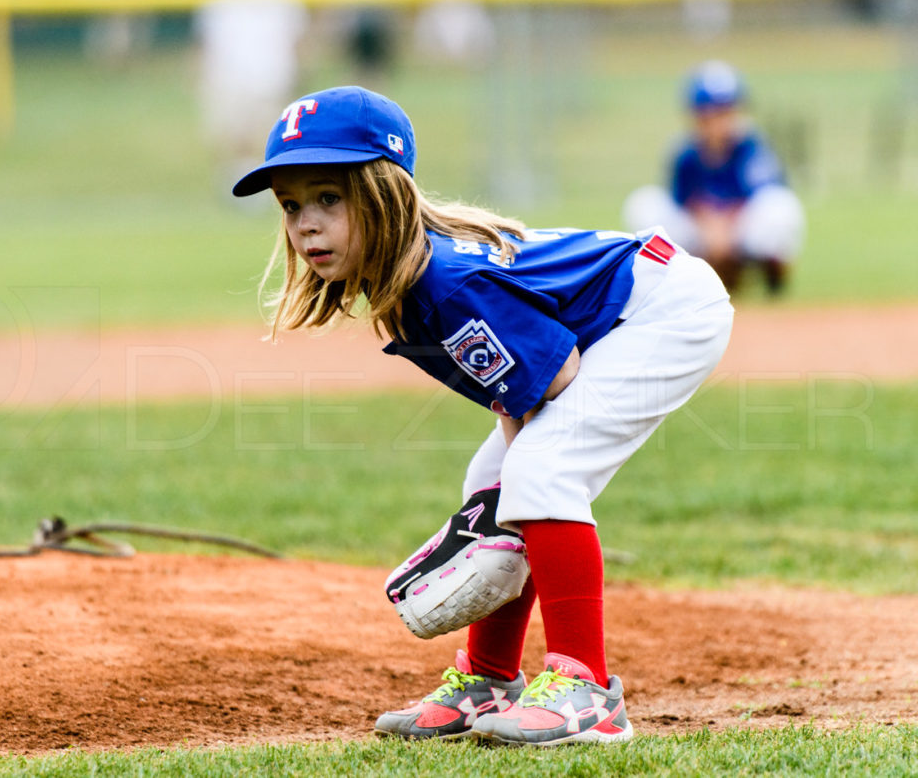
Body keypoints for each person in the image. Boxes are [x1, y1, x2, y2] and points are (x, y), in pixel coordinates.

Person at [233, 86, 734, 746]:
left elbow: (554, 378)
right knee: (496, 476)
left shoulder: (444, 283)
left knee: (542, 467)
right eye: (292, 205)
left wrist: (512, 519)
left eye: (330, 197)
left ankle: (586, 689)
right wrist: (502, 514)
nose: (307, 224)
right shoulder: (410, 283)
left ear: (385, 194)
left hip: (664, 309)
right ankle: (489, 678)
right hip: (621, 314)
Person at [623, 60, 805, 294]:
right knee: (644, 203)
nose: (718, 121)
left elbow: (762, 195)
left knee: (779, 206)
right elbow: (680, 202)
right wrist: (709, 229)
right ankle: (671, 282)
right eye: (710, 113)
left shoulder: (752, 148)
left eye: (725, 111)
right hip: (702, 235)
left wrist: (725, 231)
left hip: (741, 232)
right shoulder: (685, 153)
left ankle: (770, 272)